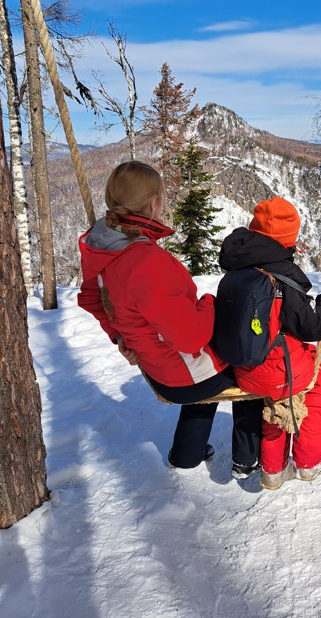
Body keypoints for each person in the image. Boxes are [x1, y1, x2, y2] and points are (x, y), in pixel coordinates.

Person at [78, 160, 262, 477]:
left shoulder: (102, 246)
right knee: (250, 367)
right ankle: (247, 460)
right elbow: (190, 338)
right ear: (154, 203)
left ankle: (187, 454)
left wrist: (120, 336)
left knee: (204, 374)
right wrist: (209, 304)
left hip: (159, 366)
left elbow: (94, 297)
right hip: (183, 375)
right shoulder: (145, 260)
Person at [218, 196, 321, 490]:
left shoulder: (237, 266)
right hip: (278, 372)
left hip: (245, 368)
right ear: (287, 239)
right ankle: (309, 463)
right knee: (316, 386)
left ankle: (273, 470)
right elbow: (314, 326)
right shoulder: (281, 278)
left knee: (273, 400)